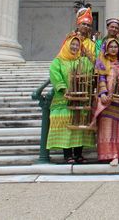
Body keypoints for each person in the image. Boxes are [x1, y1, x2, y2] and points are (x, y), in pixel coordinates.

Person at [47, 33, 96, 163]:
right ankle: (68, 155)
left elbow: (93, 70)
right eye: (72, 45)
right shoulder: (58, 61)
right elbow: (54, 74)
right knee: (66, 126)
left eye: (77, 45)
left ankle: (78, 154)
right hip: (64, 100)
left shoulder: (83, 61)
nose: (75, 47)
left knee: (79, 127)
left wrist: (89, 55)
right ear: (67, 45)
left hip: (80, 99)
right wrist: (64, 89)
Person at [92, 37, 119, 165]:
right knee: (106, 127)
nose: (113, 49)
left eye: (115, 47)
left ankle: (116, 155)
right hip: (105, 99)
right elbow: (100, 78)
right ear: (106, 48)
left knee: (117, 127)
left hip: (118, 99)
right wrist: (103, 93)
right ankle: (104, 154)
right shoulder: (102, 62)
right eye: (111, 46)